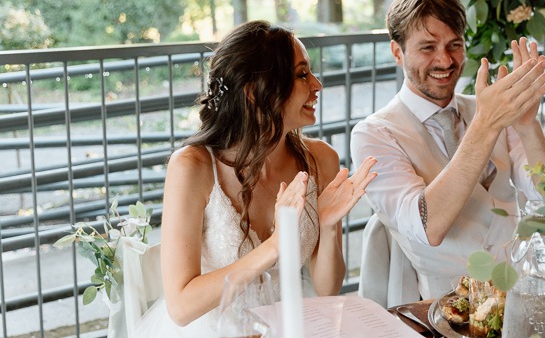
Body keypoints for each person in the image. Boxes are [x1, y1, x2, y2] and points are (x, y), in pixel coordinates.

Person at [134, 20, 377, 337]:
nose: (317, 84)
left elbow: (326, 287)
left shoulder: (321, 160)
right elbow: (181, 307)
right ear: (253, 92)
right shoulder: (192, 167)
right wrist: (277, 244)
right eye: (302, 74)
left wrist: (328, 225)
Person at [350, 0, 545, 300]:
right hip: (443, 312)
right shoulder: (374, 135)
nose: (444, 61)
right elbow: (428, 227)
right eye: (428, 47)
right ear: (397, 52)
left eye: (454, 45)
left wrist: (528, 124)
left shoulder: (488, 109)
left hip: (522, 291)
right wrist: (486, 125)